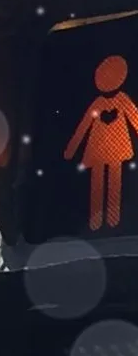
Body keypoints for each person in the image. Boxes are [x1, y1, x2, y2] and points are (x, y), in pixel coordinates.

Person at [64, 55, 138, 231]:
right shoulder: (98, 103)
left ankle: (112, 219)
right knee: (97, 182)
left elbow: (135, 118)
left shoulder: (122, 99)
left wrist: (71, 150)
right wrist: (71, 149)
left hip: (113, 148)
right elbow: (84, 125)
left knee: (114, 181)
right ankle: (97, 220)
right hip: (100, 147)